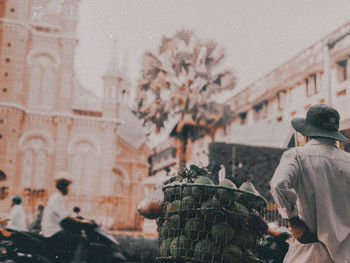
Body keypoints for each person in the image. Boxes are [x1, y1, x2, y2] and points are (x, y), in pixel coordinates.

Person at [270, 104, 350, 263]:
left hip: (309, 251)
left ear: (307, 133)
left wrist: (293, 220)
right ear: (334, 134)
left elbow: (279, 184)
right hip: (345, 253)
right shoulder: (348, 161)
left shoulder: (296, 156)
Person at [41, 171, 93, 263]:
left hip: (52, 229)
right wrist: (81, 222)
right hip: (53, 230)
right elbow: (64, 216)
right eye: (68, 186)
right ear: (63, 186)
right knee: (82, 239)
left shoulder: (57, 196)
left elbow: (66, 213)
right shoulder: (57, 197)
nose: (69, 189)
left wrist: (82, 219)